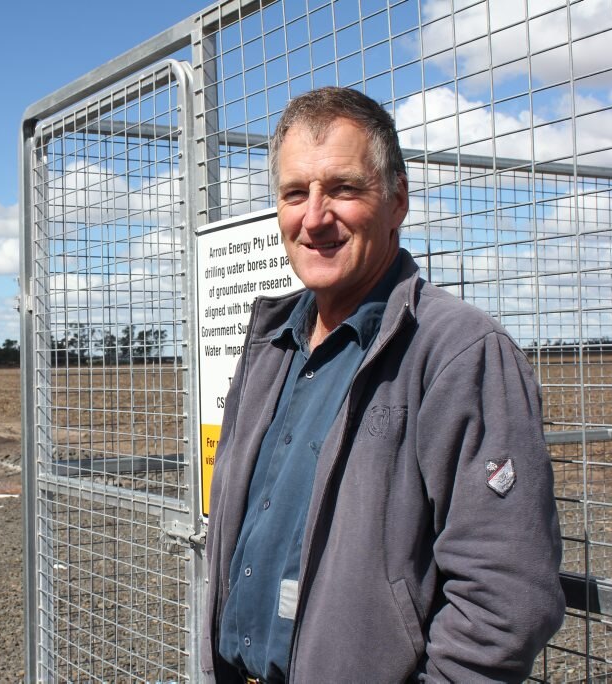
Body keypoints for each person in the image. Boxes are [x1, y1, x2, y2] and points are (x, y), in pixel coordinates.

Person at [202, 86, 564, 682]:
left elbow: (504, 599)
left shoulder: (457, 353)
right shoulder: (271, 344)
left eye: (343, 188)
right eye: (295, 193)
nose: (314, 217)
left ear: (397, 201)